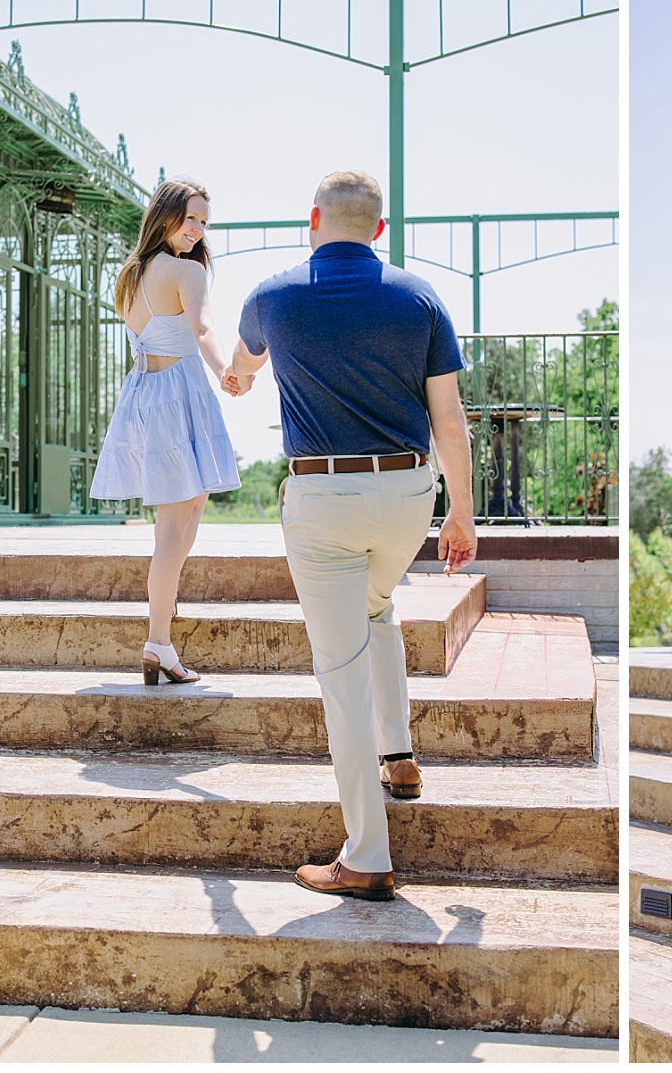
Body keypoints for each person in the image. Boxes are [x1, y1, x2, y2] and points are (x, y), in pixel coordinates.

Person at [225, 169, 477, 902]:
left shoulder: (272, 296)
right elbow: (450, 421)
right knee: (376, 609)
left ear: (313, 220)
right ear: (379, 230)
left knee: (339, 670)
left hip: (322, 495)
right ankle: (398, 755)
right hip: (407, 495)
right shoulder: (419, 296)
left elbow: (243, 365)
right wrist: (461, 513)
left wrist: (241, 378)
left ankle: (366, 855)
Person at [90, 177, 241, 684]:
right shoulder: (185, 272)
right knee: (176, 527)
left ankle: (164, 609)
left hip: (145, 393)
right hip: (179, 392)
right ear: (165, 215)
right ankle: (158, 640)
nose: (198, 231)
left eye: (204, 222)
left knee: (182, 514)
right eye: (190, 218)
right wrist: (225, 371)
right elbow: (203, 329)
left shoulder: (132, 275)